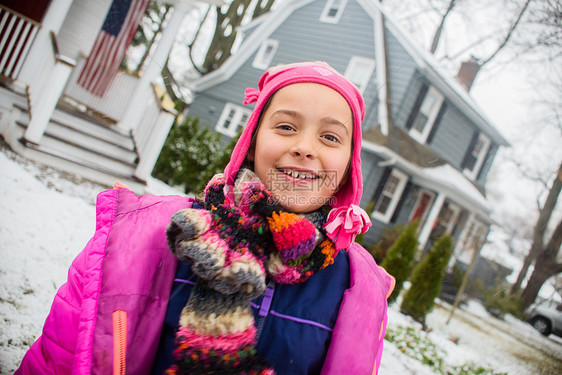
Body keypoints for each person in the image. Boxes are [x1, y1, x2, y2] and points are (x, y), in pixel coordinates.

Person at [16, 62, 395, 375]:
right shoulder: (146, 236)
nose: (304, 147)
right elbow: (58, 359)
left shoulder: (356, 287)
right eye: (285, 127)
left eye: (330, 138)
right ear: (250, 145)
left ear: (349, 168)